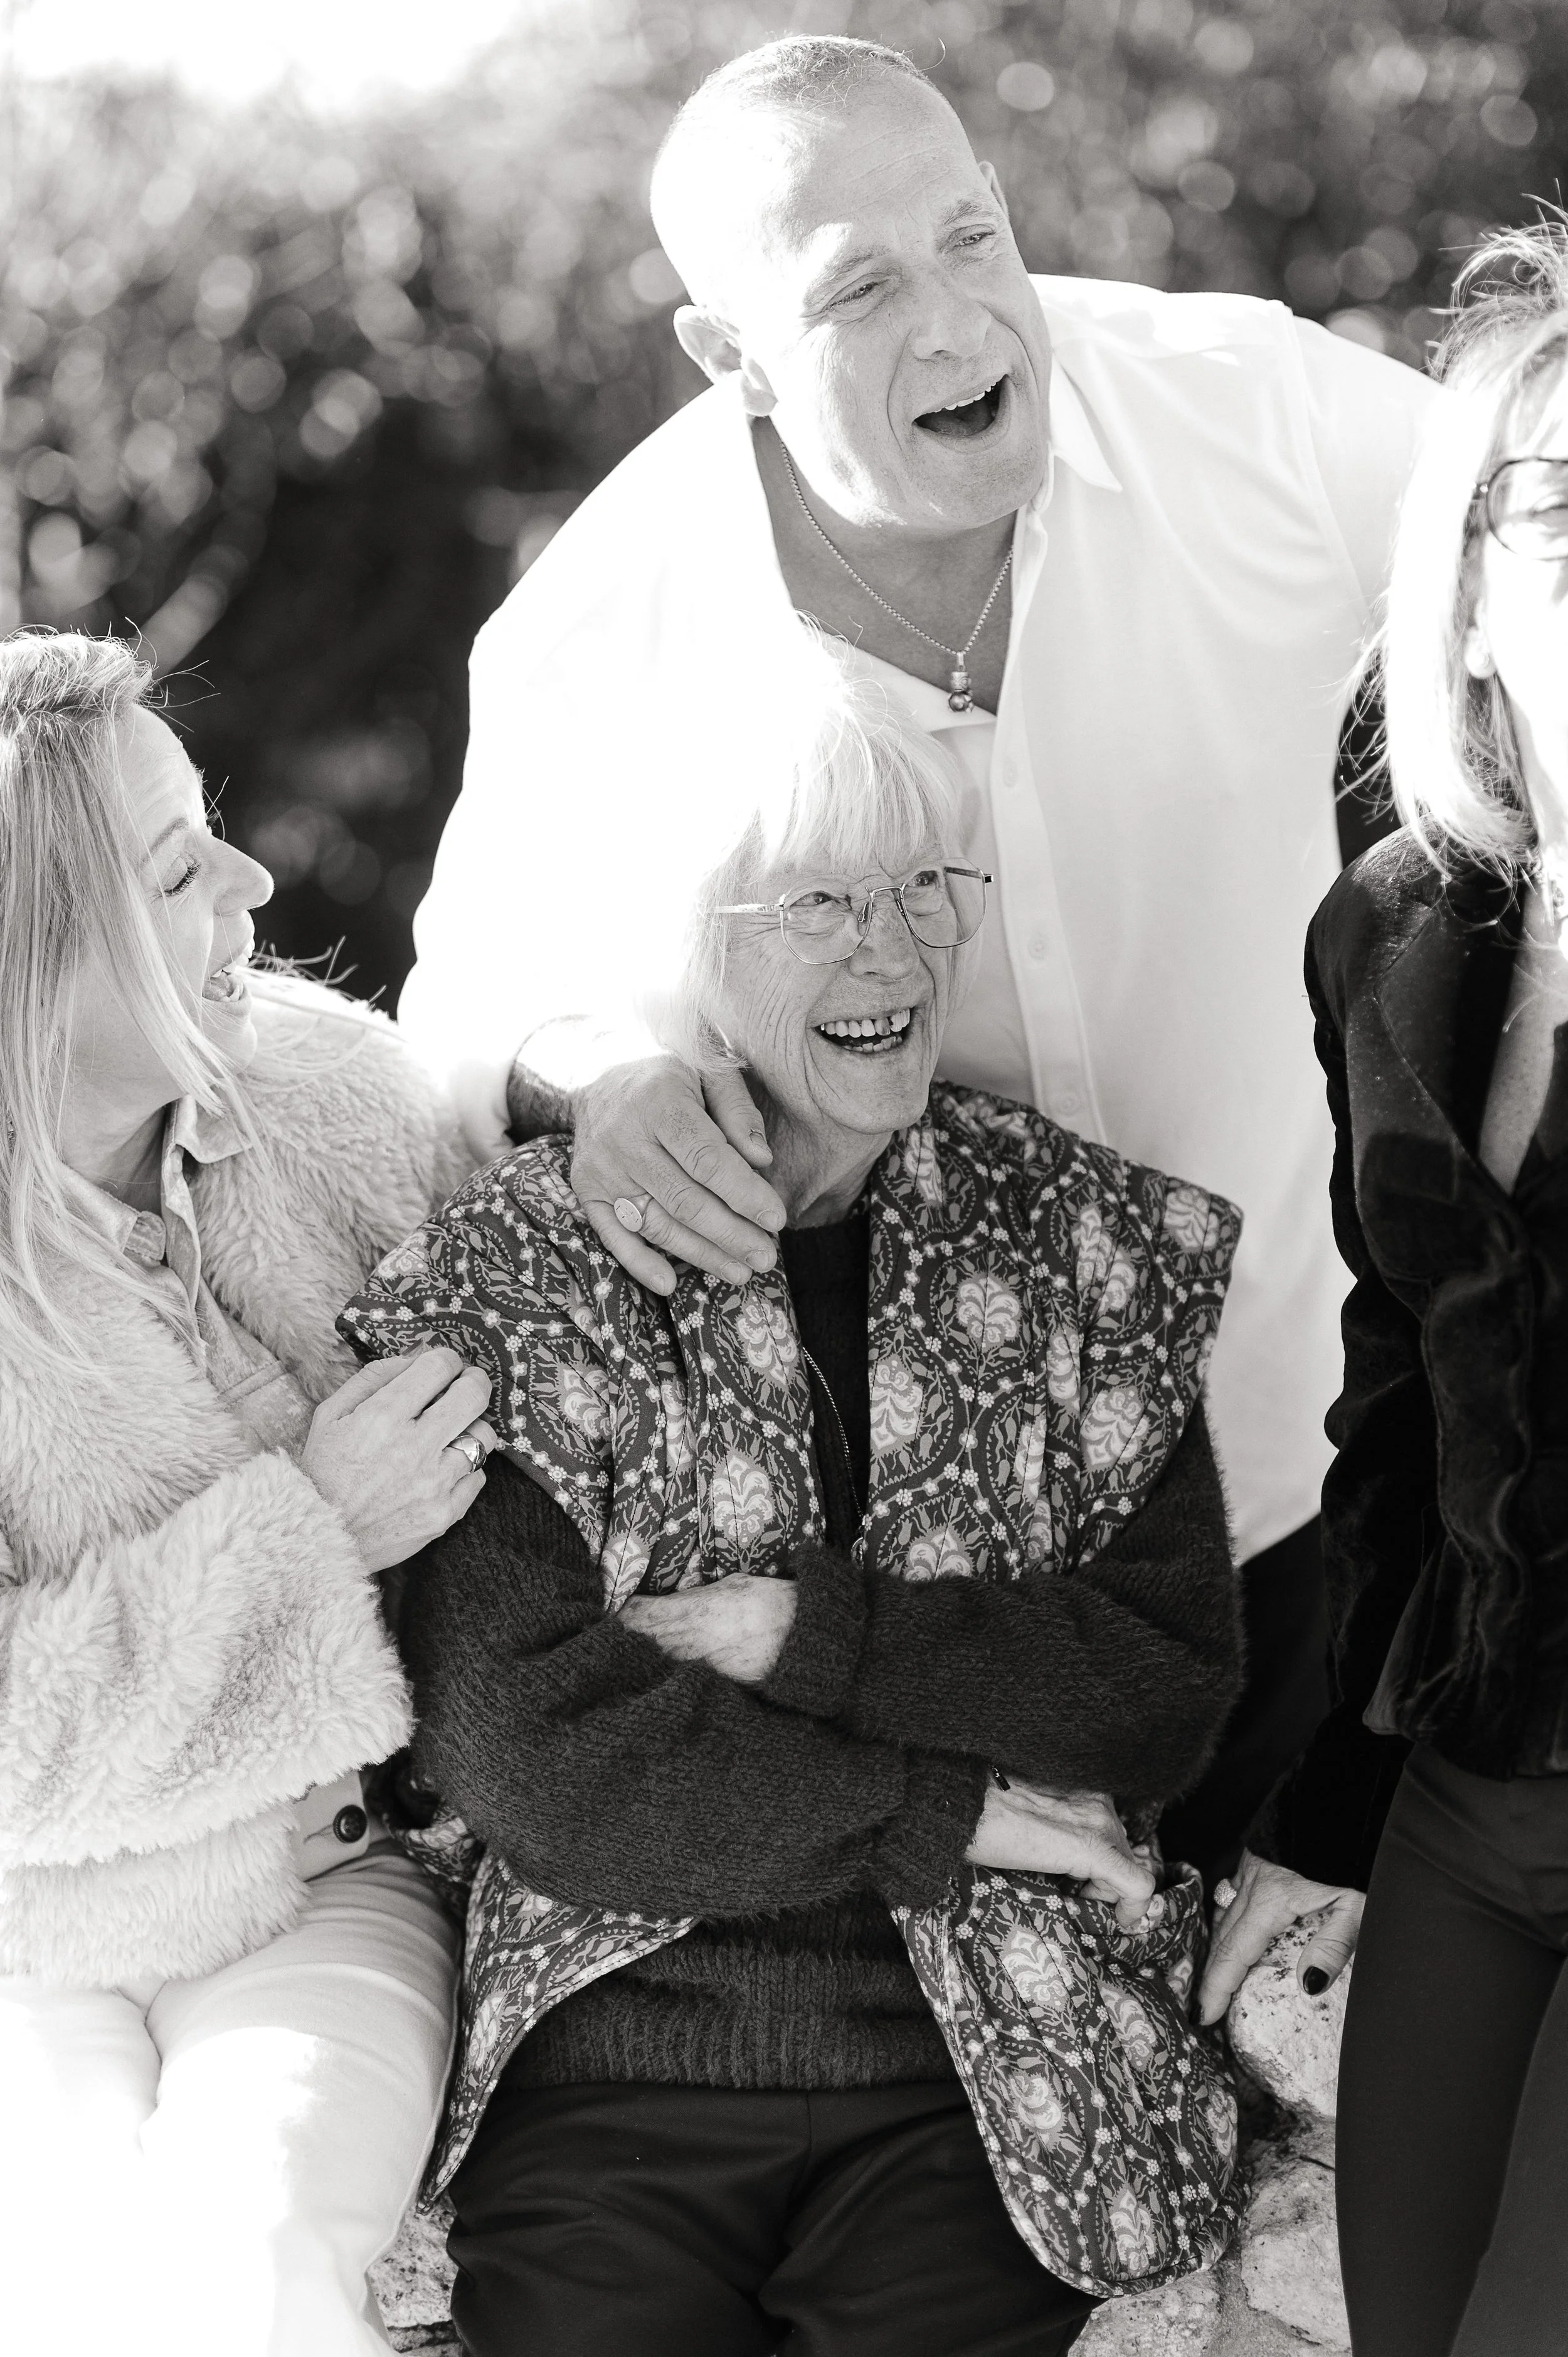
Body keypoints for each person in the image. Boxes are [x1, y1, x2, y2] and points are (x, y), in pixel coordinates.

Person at [398, 33, 1437, 1975]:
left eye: (973, 236)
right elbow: (460, 1006)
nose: (962, 316)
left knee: (1332, 2079)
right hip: (962, 1582)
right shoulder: (602, 620)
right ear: (729, 358)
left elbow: (1525, 554)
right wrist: (598, 1075)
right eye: (858, 287)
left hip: (1333, 1436)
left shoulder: (1260, 410)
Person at [343, 677, 1246, 2357]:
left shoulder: (1074, 1241)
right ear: (693, 943)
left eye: (925, 895)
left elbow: (1160, 1678)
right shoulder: (524, 1265)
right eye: (823, 904)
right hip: (621, 2056)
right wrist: (944, 1810)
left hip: (985, 2072)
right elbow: (541, 1753)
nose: (894, 959)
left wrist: (811, 1637)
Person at [0, 631, 497, 2357]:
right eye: (175, 868)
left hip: (328, 1890)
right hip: (27, 1953)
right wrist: (315, 1533)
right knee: (59, 2259)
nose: (254, 878)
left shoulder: (338, 1106)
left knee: (254, 2244)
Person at [1294, 221, 1568, 2356]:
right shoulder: (1395, 926)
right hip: (1469, 1782)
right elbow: (1393, 1373)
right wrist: (1316, 1804)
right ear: (1467, 576)